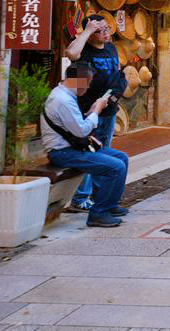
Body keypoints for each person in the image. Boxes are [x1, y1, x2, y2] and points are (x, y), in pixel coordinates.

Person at [42, 62, 129, 227]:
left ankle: (110, 206)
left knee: (121, 158)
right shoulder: (63, 100)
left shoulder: (64, 95)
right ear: (79, 80)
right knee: (115, 166)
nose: (88, 87)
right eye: (87, 83)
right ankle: (99, 213)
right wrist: (96, 111)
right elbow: (81, 131)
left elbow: (74, 125)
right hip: (63, 153)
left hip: (72, 148)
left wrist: (89, 113)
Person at [64, 15, 127, 213]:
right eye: (100, 31)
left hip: (107, 109)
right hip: (87, 110)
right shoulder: (83, 49)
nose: (106, 33)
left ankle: (101, 196)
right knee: (89, 153)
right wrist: (87, 31)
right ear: (90, 33)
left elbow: (117, 73)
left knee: (104, 153)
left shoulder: (111, 48)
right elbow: (71, 54)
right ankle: (81, 197)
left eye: (107, 29)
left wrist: (113, 96)